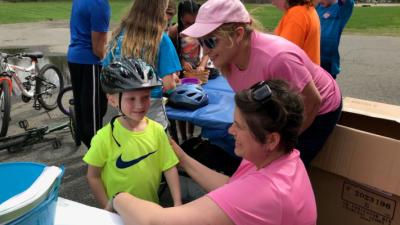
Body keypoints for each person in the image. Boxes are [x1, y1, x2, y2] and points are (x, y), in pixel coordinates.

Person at [110, 79, 317, 225]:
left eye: (239, 126)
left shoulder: (263, 193)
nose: (230, 130)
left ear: (271, 139)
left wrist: (119, 197)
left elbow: (155, 222)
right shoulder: (283, 157)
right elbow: (231, 187)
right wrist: (182, 157)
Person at [181, 0, 342, 167]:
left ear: (238, 34)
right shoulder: (227, 59)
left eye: (211, 41)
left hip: (320, 106)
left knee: (283, 165)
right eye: (201, 42)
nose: (205, 51)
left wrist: (281, 146)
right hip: (285, 101)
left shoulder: (277, 59)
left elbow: (313, 100)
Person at [83, 57, 182, 209]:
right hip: (119, 213)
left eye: (145, 97)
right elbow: (93, 176)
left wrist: (177, 203)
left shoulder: (157, 130)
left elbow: (169, 167)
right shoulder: (104, 137)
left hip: (151, 209)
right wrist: (106, 208)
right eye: (131, 98)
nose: (139, 105)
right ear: (112, 100)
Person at [103, 0, 181, 129]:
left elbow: (107, 71)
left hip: (124, 102)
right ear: (160, 12)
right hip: (150, 106)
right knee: (155, 144)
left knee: (131, 142)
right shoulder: (160, 38)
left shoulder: (118, 34)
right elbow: (170, 84)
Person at [67, 0, 110, 148]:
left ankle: (88, 142)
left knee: (86, 109)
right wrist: (111, 61)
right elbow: (98, 49)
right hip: (89, 62)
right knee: (93, 116)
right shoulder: (100, 4)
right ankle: (98, 157)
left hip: (74, 57)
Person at [273, 0, 321, 65]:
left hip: (298, 73)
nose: (273, 2)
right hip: (308, 72)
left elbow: (284, 57)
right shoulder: (306, 9)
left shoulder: (297, 15)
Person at [316, 0, 354, 79]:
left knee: (326, 89)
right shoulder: (318, 7)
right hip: (312, 56)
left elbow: (349, 2)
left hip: (327, 60)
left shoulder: (341, 9)